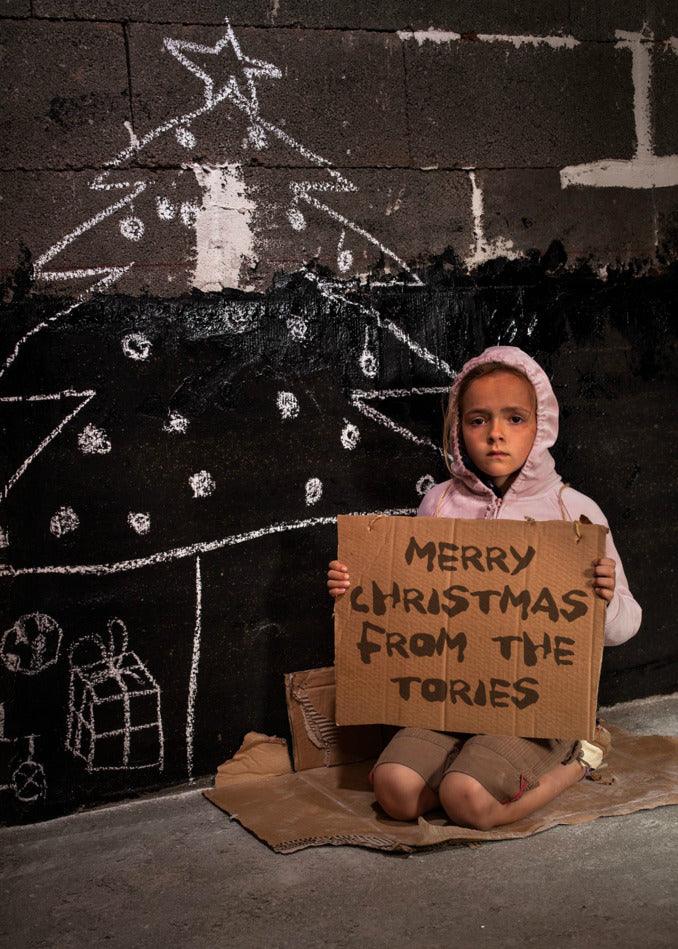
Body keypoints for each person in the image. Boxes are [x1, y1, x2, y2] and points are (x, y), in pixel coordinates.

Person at [327, 345, 642, 831]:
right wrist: (358, 590)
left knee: (466, 799)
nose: (496, 433)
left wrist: (603, 601)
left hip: (537, 705)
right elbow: (410, 600)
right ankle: (466, 763)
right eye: (478, 420)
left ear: (542, 425)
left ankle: (581, 758)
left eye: (515, 418)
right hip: (448, 697)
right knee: (395, 789)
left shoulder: (575, 512)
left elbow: (625, 626)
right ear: (459, 428)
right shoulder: (438, 504)